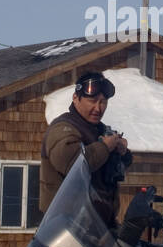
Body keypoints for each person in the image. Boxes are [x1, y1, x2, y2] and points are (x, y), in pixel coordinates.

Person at [40, 71, 131, 226]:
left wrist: (123, 153)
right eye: (93, 100)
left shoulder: (100, 130)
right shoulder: (63, 127)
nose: (98, 108)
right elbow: (70, 163)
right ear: (76, 98)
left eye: (103, 102)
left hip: (99, 228)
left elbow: (118, 168)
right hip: (65, 229)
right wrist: (105, 147)